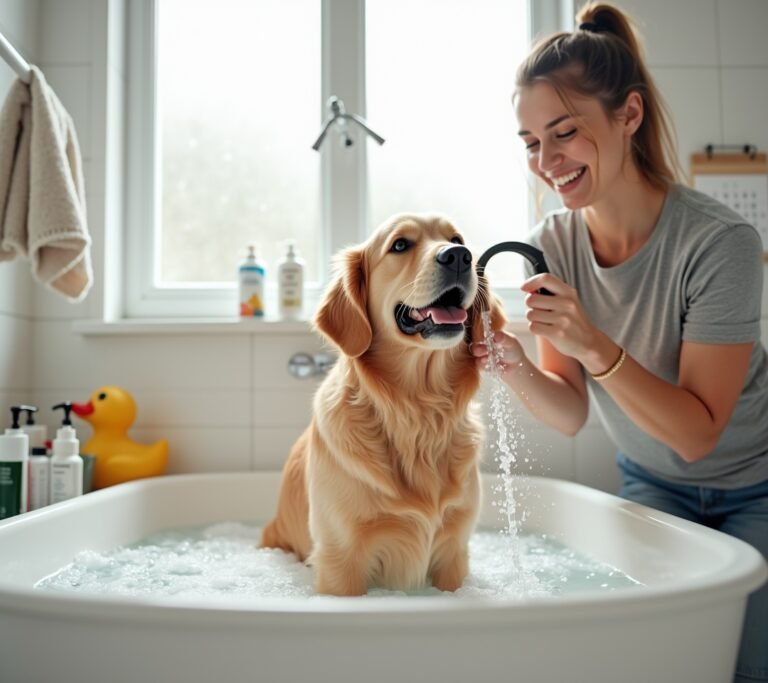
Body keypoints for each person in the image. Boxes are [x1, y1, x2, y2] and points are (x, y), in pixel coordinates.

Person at [471, 3, 768, 682]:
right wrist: (513, 363)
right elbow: (571, 412)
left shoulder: (721, 244)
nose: (546, 161)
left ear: (628, 116)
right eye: (528, 141)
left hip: (756, 488)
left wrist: (596, 345)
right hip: (650, 485)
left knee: (747, 666)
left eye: (564, 132)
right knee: (656, 663)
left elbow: (697, 434)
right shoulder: (552, 244)